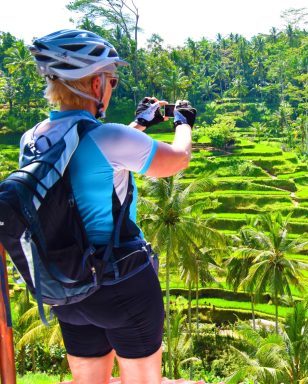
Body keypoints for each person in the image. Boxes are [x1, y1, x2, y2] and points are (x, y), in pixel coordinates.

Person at [26, 29, 196, 384]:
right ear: (95, 84)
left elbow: (93, 158)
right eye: (111, 80)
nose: (111, 86)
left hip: (68, 285)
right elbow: (177, 160)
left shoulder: (34, 138)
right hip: (121, 283)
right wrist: (183, 123)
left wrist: (142, 124)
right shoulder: (109, 136)